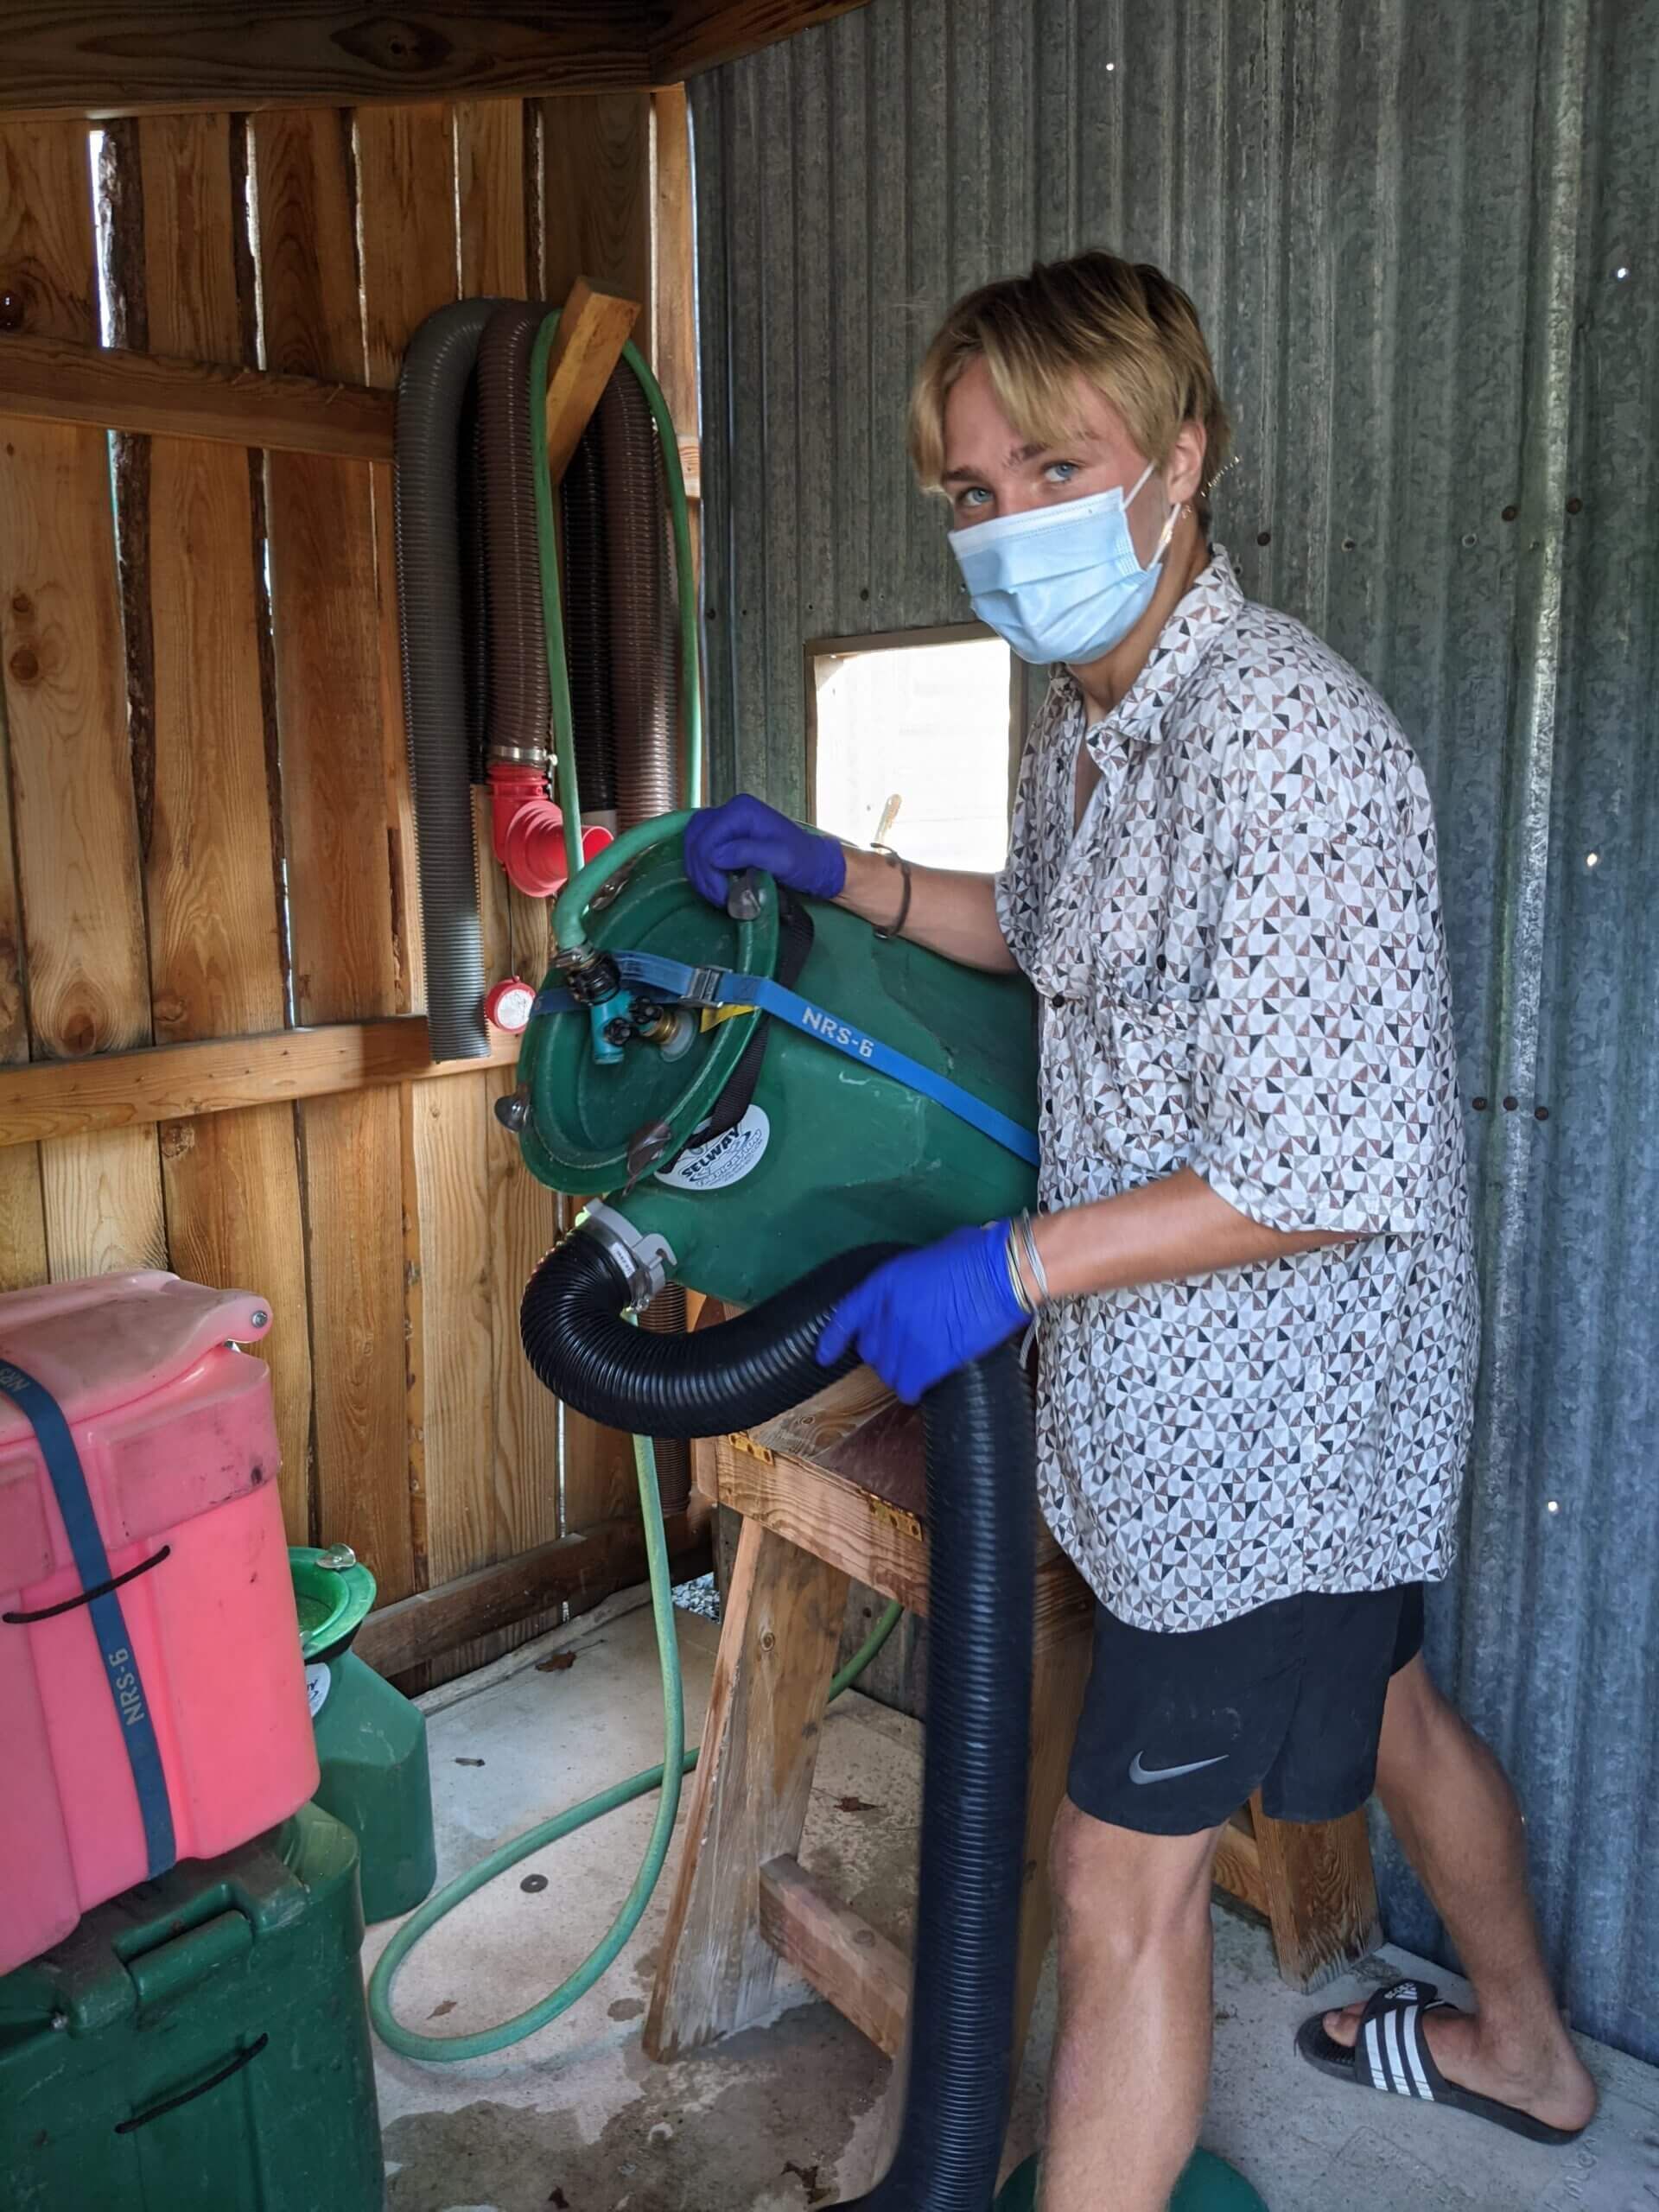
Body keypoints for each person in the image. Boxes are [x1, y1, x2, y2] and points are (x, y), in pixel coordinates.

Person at [683, 250, 1596, 2210]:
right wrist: (841, 869)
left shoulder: (1286, 741)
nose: (1006, 526)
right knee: (1391, 1695)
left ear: (1182, 462)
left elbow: (1324, 1157)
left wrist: (1007, 1265)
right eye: (969, 491)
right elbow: (1061, 934)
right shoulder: (1101, 724)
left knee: (1118, 1886)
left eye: (1052, 466)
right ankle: (1529, 2047)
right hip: (1209, 1406)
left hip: (1269, 1421)